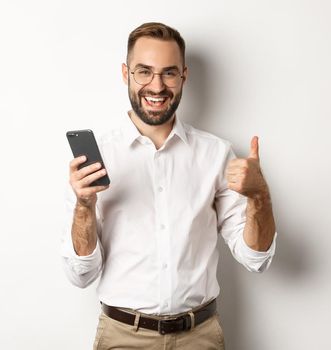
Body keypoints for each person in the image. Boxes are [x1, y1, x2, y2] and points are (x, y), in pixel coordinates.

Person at [60, 22, 278, 350]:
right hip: (122, 338)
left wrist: (260, 196)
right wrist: (83, 208)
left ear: (184, 77)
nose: (157, 86)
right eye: (144, 72)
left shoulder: (216, 154)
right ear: (126, 74)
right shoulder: (95, 161)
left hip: (200, 338)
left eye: (169, 73)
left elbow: (255, 259)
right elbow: (81, 275)